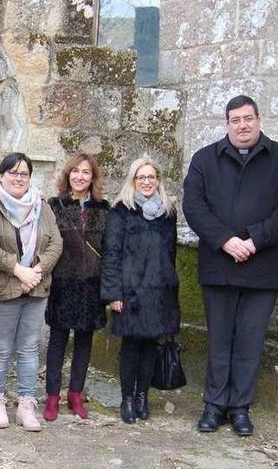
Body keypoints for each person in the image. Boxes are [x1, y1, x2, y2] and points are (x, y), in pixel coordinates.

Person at [183, 95, 278, 437]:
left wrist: (254, 239)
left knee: (250, 342)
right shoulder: (206, 159)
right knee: (219, 340)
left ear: (259, 119)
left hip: (261, 265)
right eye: (235, 120)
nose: (242, 125)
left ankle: (240, 408)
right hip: (218, 264)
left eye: (248, 118)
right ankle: (214, 405)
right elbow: (193, 205)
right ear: (227, 124)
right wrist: (225, 240)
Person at [0, 153, 62, 431]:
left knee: (29, 348)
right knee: (1, 347)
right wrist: (18, 270)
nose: (18, 178)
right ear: (2, 175)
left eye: (24, 173)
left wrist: (37, 272)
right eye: (13, 173)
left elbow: (56, 243)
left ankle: (27, 403)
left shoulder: (42, 206)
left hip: (36, 287)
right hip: (3, 286)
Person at [100, 156, 180, 425]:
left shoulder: (168, 212)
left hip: (159, 292)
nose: (146, 182)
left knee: (151, 347)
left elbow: (171, 254)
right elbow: (111, 254)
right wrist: (113, 294)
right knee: (131, 346)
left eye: (151, 177)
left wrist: (170, 291)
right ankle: (127, 399)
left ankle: (143, 396)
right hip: (130, 292)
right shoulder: (121, 211)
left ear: (158, 181)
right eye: (141, 177)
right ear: (133, 181)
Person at [43, 152, 110, 420]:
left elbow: (108, 248)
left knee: (84, 342)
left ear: (92, 177)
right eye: (76, 171)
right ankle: (51, 397)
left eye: (86, 172)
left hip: (91, 285)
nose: (80, 176)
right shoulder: (55, 205)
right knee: (58, 341)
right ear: (68, 174)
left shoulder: (102, 207)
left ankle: (75, 394)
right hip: (62, 283)